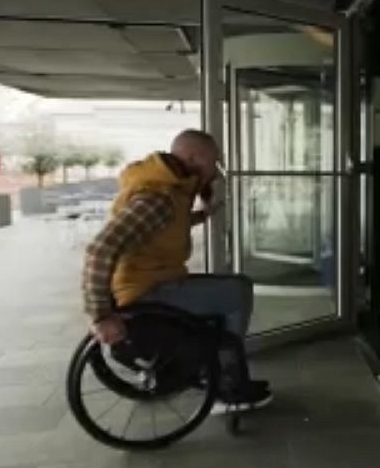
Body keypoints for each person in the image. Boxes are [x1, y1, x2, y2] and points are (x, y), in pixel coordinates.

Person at [81, 130, 271, 412]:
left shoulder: (169, 190)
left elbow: (166, 224)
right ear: (193, 157)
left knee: (228, 287)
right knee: (237, 291)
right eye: (212, 163)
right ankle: (223, 382)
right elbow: (100, 250)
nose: (214, 173)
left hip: (155, 282)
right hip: (146, 293)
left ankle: (216, 371)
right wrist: (99, 315)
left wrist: (204, 214)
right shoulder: (157, 198)